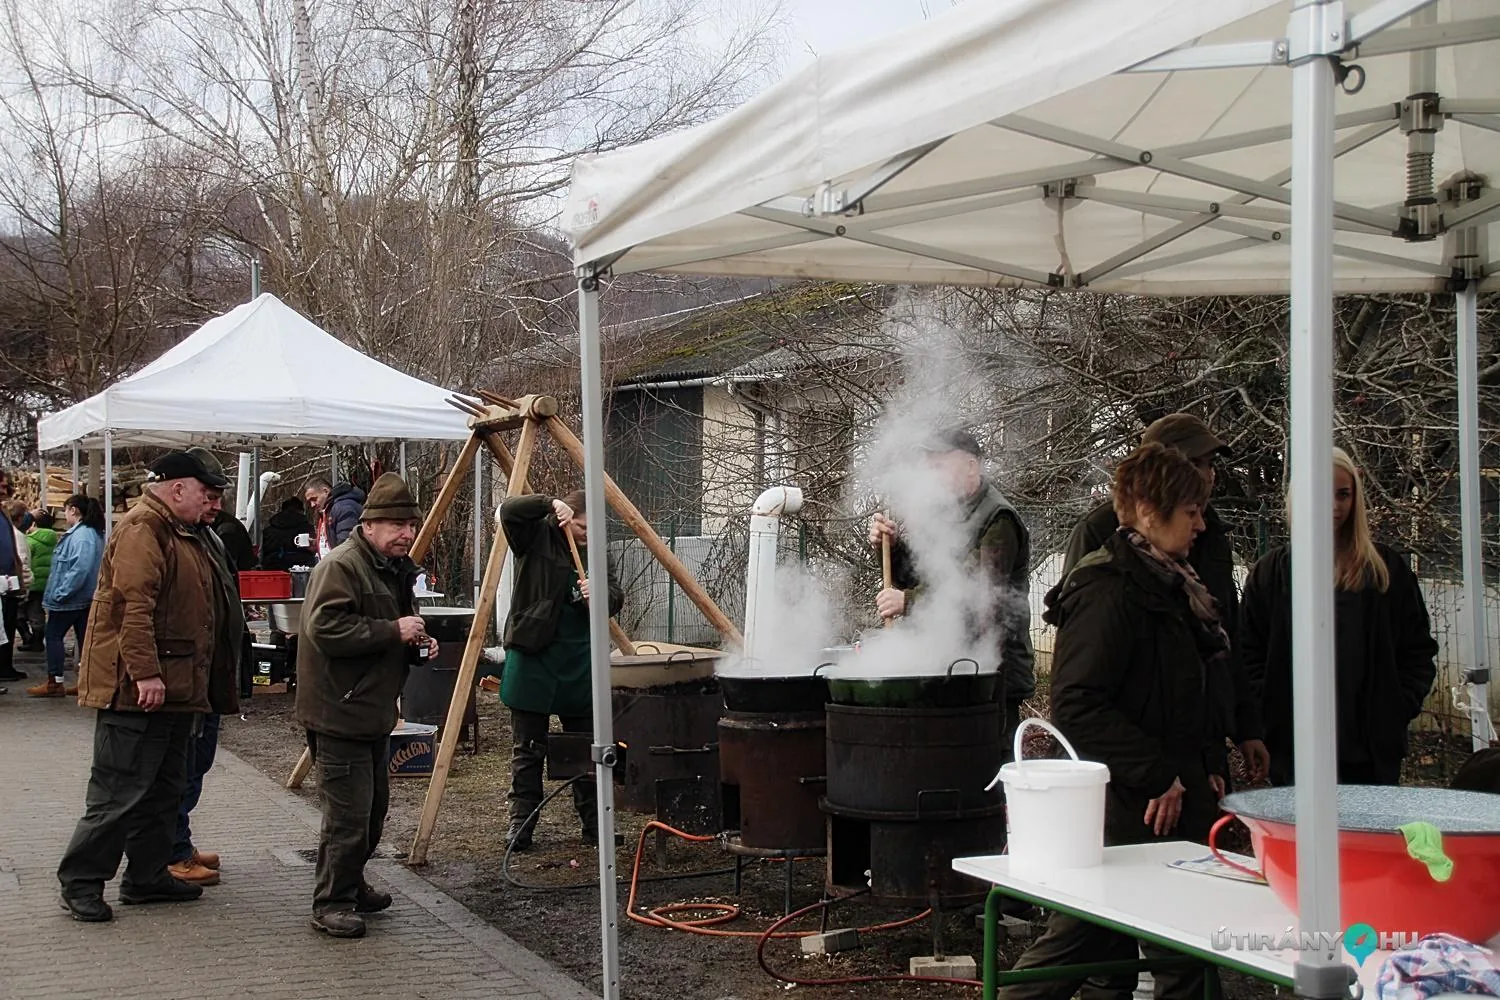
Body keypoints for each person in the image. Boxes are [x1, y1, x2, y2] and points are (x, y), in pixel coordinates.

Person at [1001, 442, 1231, 1000]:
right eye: (1191, 512)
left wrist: (1207, 765)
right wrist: (1157, 774)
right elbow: (1078, 704)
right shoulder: (1109, 590)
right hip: (1128, 804)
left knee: (1178, 952)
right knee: (1097, 944)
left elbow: (1182, 692)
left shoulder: (1170, 580)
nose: (1202, 524)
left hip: (1168, 795)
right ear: (1151, 513)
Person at [56, 451, 234, 923]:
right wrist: (146, 674)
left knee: (164, 789)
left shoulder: (181, 530)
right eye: (205, 494)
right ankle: (81, 884)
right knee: (118, 792)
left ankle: (147, 876)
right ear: (178, 489)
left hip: (176, 691)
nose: (211, 505)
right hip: (137, 693)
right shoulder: (144, 529)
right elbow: (133, 610)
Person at [1062, 412, 1270, 784]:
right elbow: (1082, 687)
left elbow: (1220, 640)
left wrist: (1237, 731)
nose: (1208, 474)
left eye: (1209, 464)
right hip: (1135, 777)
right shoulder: (1103, 554)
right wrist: (1154, 773)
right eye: (1196, 462)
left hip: (1191, 758)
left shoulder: (1206, 536)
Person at [1240, 447, 1437, 787]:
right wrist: (1268, 712)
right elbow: (1248, 653)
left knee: (1366, 840)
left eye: (1343, 494)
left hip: (1370, 755)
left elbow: (1417, 649)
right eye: (1322, 493)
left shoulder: (1386, 571)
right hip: (1294, 753)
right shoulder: (1271, 574)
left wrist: (1396, 706)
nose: (1334, 506)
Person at [295, 472, 435, 938]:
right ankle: (331, 902)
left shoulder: (391, 569)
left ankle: (351, 884)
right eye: (396, 524)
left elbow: (394, 627)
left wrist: (417, 644)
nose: (407, 534)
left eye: (410, 525)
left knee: (372, 811)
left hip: (371, 712)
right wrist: (393, 632)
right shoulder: (342, 566)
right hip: (339, 711)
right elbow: (325, 630)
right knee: (348, 817)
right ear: (369, 525)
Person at [868, 428, 1035, 758]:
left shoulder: (998, 519)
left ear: (971, 467)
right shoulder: (947, 515)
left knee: (988, 770)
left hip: (992, 673)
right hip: (952, 663)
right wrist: (891, 546)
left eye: (940, 465)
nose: (930, 475)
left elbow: (977, 596)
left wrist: (909, 603)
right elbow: (911, 577)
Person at [499, 490, 623, 852]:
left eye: (593, 528)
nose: (587, 534)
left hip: (579, 660)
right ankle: (520, 827)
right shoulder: (534, 536)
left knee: (586, 747)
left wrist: (599, 593)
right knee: (528, 749)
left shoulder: (599, 551)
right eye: (582, 526)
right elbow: (509, 511)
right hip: (533, 656)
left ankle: (595, 824)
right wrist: (548, 502)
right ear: (566, 519)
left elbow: (615, 598)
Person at [166, 448, 247, 886]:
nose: (216, 505)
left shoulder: (206, 535)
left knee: (197, 763)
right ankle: (172, 849)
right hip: (187, 675)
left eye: (219, 497)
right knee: (181, 767)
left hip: (209, 673)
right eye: (210, 496)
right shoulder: (167, 534)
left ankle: (180, 839)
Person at [27, 497, 105, 698]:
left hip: (71, 599)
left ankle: (55, 681)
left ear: (74, 510)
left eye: (66, 511)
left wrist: (61, 593)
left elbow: (80, 568)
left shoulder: (81, 536)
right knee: (83, 640)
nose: (66, 516)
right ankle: (84, 681)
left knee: (53, 636)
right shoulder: (91, 534)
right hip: (82, 597)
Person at [0, 499, 34, 684]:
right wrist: (24, 584)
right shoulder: (15, 535)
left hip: (8, 585)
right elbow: (21, 562)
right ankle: (4, 666)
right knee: (6, 627)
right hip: (9, 587)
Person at [21, 507, 59, 651]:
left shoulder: (30, 541)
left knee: (19, 613)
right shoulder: (53, 539)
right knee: (37, 612)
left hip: (31, 582)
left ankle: (28, 638)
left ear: (34, 524)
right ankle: (37, 641)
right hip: (44, 583)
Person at [304, 476, 366, 558]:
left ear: (325, 491)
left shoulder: (344, 507)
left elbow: (346, 547)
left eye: (314, 499)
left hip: (342, 567)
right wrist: (317, 545)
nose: (312, 505)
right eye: (310, 501)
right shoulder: (327, 510)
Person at [261, 497, 317, 570]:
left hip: (273, 567)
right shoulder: (307, 528)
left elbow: (263, 553)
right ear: (301, 510)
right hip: (302, 567)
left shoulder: (268, 530)